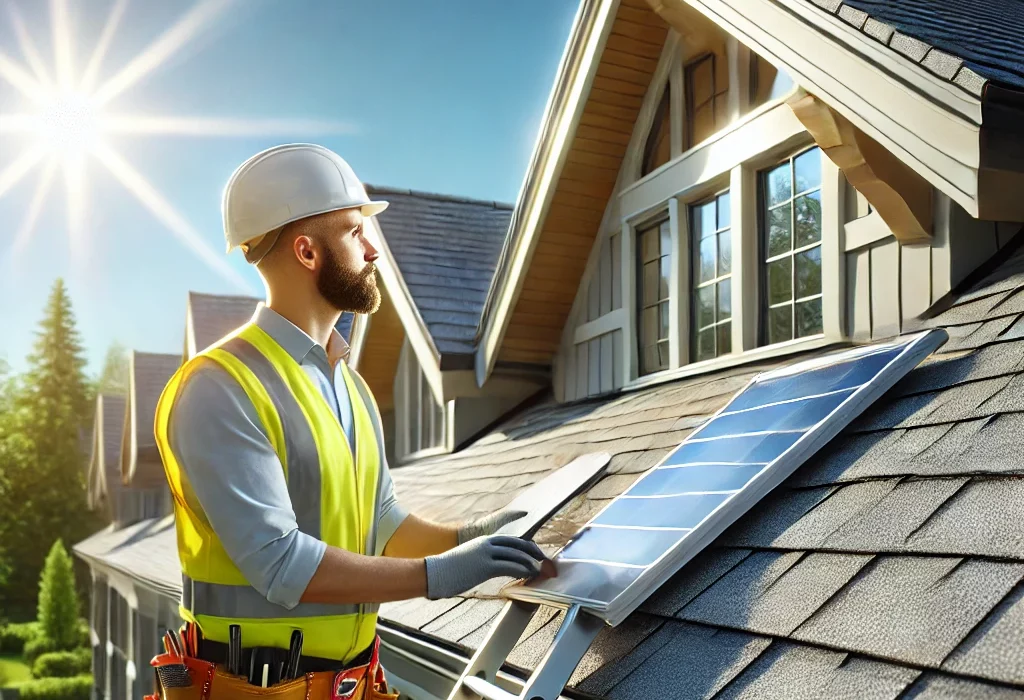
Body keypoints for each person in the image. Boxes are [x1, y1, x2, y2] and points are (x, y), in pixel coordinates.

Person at [151, 143, 548, 699]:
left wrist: (472, 538)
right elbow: (280, 564)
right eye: (355, 231)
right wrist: (439, 575)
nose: (372, 250)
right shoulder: (218, 387)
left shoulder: (351, 385)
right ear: (308, 252)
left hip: (354, 686)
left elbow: (381, 525)